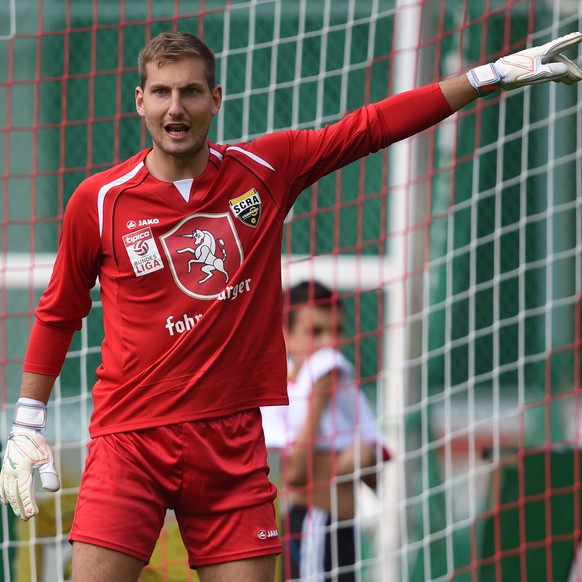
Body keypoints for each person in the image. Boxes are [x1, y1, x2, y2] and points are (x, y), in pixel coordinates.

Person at [0, 28, 580, 582]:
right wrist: (28, 422)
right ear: (139, 102)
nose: (175, 108)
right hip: (129, 440)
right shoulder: (98, 201)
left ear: (215, 99)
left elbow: (371, 126)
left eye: (191, 91)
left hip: (230, 445)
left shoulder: (265, 170)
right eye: (162, 92)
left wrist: (489, 75)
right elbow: (59, 312)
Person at [261, 280, 391, 581]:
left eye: (336, 331)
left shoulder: (344, 391)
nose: (328, 343)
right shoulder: (282, 395)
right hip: (311, 526)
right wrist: (318, 399)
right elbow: (293, 476)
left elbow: (372, 475)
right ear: (286, 334)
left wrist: (362, 457)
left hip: (344, 528)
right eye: (315, 332)